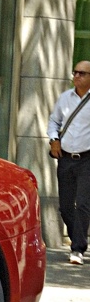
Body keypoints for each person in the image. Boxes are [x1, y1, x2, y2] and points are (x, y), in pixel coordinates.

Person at [48, 60, 90, 265]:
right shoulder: (65, 98)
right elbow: (54, 121)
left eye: (82, 73)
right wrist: (53, 139)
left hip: (87, 160)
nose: (77, 76)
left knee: (82, 204)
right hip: (65, 158)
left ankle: (77, 249)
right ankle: (79, 240)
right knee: (65, 207)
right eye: (75, 72)